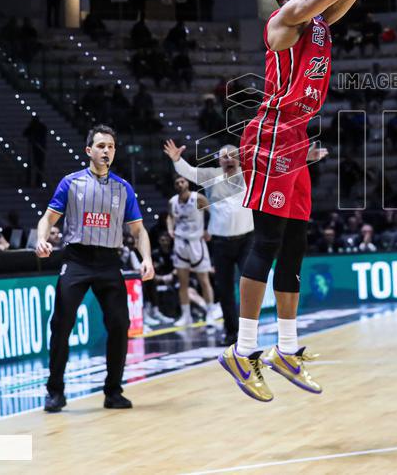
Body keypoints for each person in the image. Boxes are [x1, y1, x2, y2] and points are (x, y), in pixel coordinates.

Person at [219, 0, 374, 403]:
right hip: (267, 135)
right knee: (265, 242)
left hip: (296, 139)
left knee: (294, 248)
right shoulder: (283, 21)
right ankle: (243, 351)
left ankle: (287, 348)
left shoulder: (322, 23)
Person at [35, 124, 154, 413]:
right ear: (89, 151)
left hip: (108, 262)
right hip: (76, 260)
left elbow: (138, 231)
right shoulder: (71, 183)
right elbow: (47, 219)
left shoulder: (123, 188)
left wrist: (146, 258)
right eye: (101, 146)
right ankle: (55, 391)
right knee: (61, 324)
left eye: (111, 146)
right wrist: (40, 239)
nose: (106, 151)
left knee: (119, 325)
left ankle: (113, 391)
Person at [165, 141, 255, 346]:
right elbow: (189, 172)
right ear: (218, 160)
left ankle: (250, 331)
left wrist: (304, 157)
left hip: (247, 240)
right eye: (224, 156)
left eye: (232, 155)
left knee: (249, 287)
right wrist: (177, 159)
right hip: (222, 243)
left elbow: (275, 170)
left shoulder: (250, 174)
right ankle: (232, 332)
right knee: (224, 290)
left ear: (240, 158)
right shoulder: (212, 176)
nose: (228, 159)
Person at [166, 175, 219, 327]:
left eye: (182, 181)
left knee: (204, 280)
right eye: (177, 182)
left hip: (197, 243)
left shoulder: (198, 198)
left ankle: (210, 313)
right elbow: (170, 217)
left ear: (187, 183)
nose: (180, 184)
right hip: (180, 243)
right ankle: (186, 315)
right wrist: (170, 229)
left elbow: (213, 212)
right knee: (183, 283)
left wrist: (209, 230)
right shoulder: (172, 201)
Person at [24, 114, 49, 187]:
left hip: (39, 148)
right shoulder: (36, 127)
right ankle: (33, 181)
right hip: (34, 149)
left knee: (38, 166)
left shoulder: (41, 127)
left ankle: (37, 182)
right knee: (35, 166)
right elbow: (25, 133)